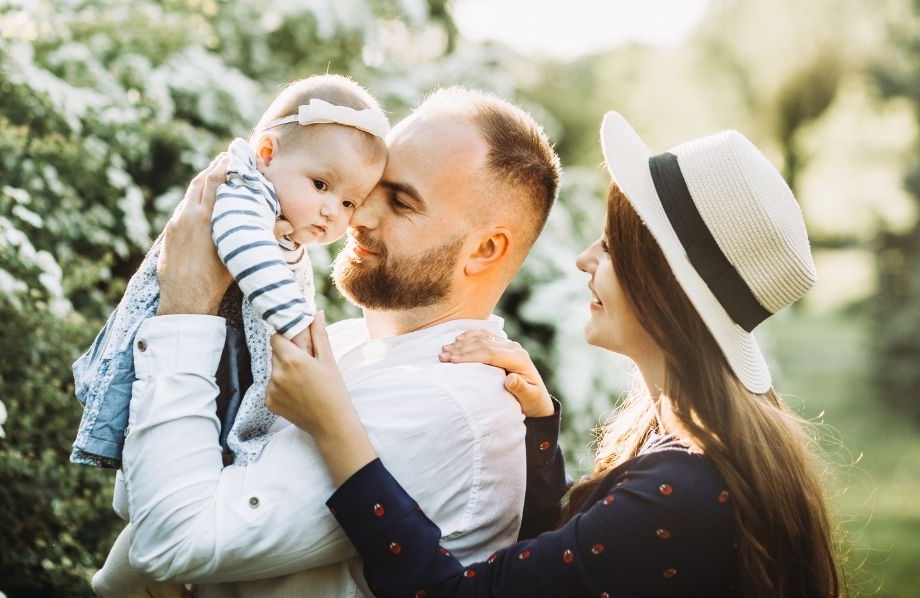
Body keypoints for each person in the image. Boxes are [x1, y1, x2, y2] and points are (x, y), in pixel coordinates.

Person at [266, 111, 842, 597]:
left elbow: (448, 592)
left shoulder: (684, 491)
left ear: (665, 285)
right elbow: (556, 569)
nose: (585, 259)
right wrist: (539, 427)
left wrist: (336, 428)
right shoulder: (681, 448)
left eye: (614, 246)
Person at [101, 88, 563, 596]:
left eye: (402, 201)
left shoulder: (443, 402)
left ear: (484, 250)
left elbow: (169, 541)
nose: (355, 217)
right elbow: (145, 492)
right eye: (367, 190)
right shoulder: (343, 343)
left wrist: (186, 308)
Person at [83, 74, 388, 596]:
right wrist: (298, 326)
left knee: (196, 462)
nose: (331, 212)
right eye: (321, 185)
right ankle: (122, 579)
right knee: (163, 470)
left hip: (221, 357)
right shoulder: (243, 191)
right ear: (266, 151)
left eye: (349, 204)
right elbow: (244, 248)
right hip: (193, 346)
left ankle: (142, 574)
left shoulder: (280, 210)